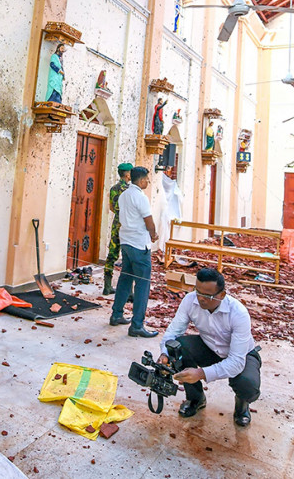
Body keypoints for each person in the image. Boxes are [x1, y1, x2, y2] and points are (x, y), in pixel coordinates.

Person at [160, 267, 261, 427]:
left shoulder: (238, 313)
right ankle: (196, 398)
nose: (201, 299)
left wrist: (200, 373)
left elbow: (236, 362)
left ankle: (242, 405)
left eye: (207, 295)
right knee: (177, 347)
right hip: (209, 348)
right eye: (197, 291)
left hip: (241, 355)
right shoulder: (190, 300)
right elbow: (173, 331)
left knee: (247, 384)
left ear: (221, 295)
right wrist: (165, 355)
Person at [109, 166, 158, 338]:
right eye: (147, 179)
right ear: (142, 180)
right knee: (143, 284)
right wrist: (153, 234)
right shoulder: (140, 197)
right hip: (139, 243)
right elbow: (148, 221)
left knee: (125, 278)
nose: (148, 182)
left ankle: (116, 314)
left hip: (126, 242)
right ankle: (137, 324)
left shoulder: (123, 195)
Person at [103, 163, 132, 295]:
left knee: (112, 254)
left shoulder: (114, 188)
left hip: (116, 223)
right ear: (127, 174)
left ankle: (107, 286)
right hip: (127, 225)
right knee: (129, 256)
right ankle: (129, 291)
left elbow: (111, 207)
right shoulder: (130, 190)